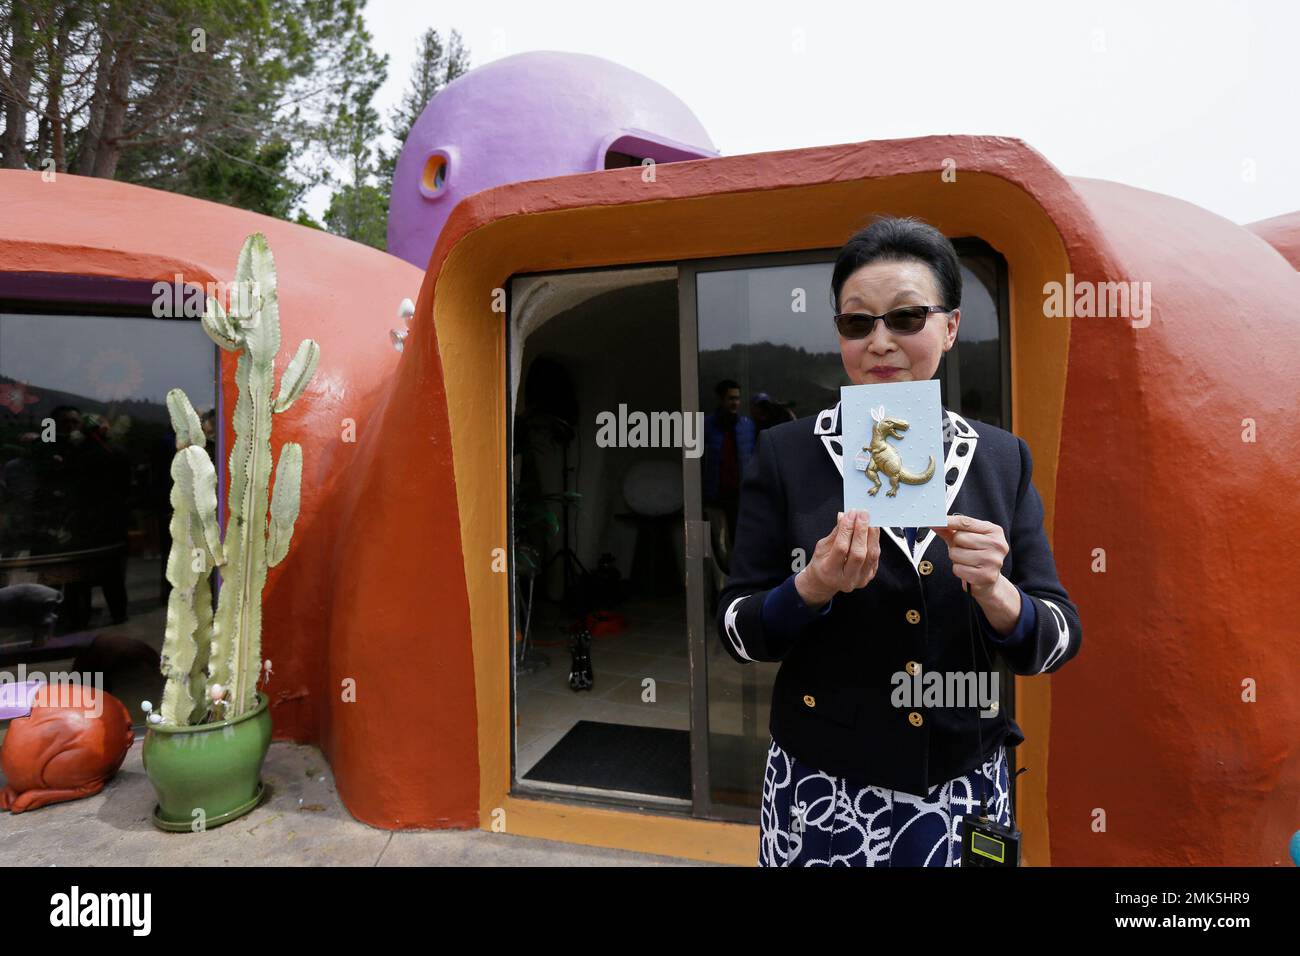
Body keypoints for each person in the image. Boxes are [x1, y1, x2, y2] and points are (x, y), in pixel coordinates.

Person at [716, 216, 1083, 867]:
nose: (880, 341)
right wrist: (810, 587)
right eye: (858, 323)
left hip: (965, 788)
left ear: (949, 327)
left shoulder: (1001, 459)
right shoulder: (787, 455)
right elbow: (738, 630)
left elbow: (1055, 641)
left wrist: (998, 593)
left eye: (906, 318)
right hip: (822, 792)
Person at [702, 379, 756, 553]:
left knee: (739, 537)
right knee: (716, 540)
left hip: (739, 492)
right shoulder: (707, 426)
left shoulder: (747, 426)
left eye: (737, 398)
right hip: (715, 492)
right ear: (721, 399)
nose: (735, 403)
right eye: (731, 398)